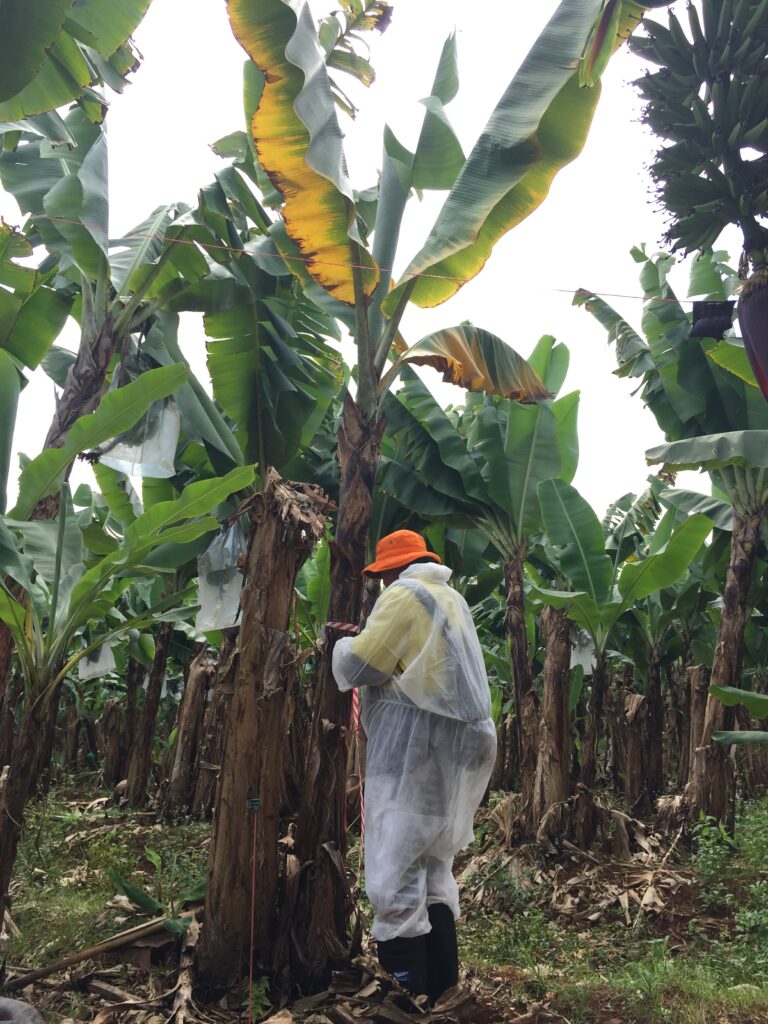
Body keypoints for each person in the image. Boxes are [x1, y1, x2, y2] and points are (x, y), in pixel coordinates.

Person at [332, 530, 497, 1004]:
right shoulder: (450, 598)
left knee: (395, 870)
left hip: (416, 745)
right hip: (459, 749)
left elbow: (361, 666)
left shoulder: (405, 594)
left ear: (391, 571)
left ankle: (406, 997)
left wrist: (338, 645)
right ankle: (443, 992)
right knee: (433, 865)